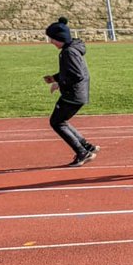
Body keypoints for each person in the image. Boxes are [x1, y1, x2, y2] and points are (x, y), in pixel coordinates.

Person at [42, 17, 98, 167]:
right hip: (77, 93)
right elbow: (70, 71)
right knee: (61, 121)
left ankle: (82, 152)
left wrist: (59, 83)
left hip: (73, 94)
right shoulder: (71, 48)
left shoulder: (69, 52)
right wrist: (54, 78)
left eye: (52, 39)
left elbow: (76, 75)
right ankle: (86, 146)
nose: (51, 42)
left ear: (60, 38)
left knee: (57, 122)